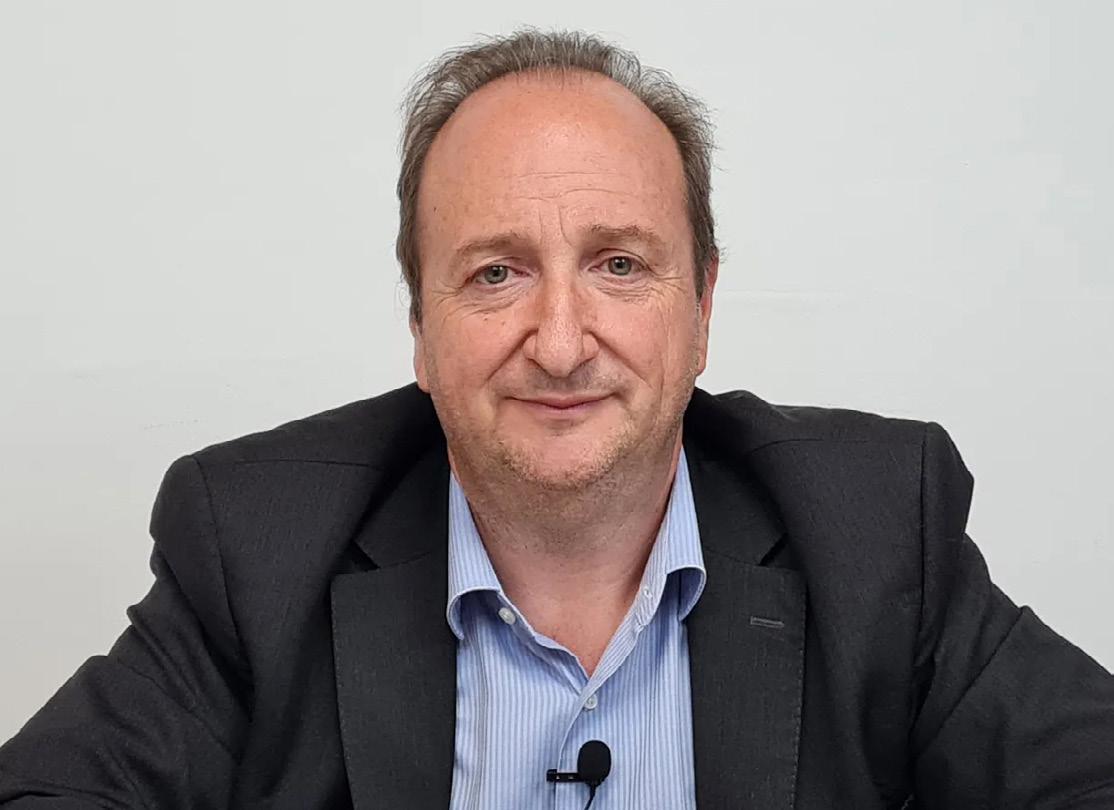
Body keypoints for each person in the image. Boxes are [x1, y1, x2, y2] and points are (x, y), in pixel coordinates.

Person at [2, 27, 1112, 810]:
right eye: (496, 274)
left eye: (619, 264)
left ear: (702, 308)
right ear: (421, 329)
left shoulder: (872, 529)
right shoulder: (256, 546)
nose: (563, 341)